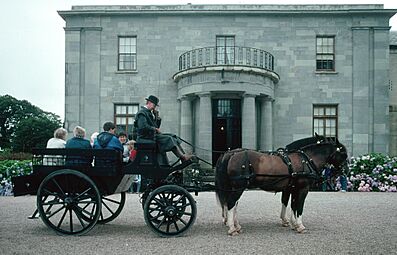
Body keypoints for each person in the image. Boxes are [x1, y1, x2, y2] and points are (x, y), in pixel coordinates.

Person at [135, 95, 193, 162]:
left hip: (151, 136)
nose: (154, 107)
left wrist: (158, 119)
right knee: (169, 139)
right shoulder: (142, 113)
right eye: (154, 105)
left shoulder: (149, 113)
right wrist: (155, 129)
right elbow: (143, 127)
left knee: (173, 136)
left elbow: (156, 126)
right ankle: (182, 157)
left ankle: (183, 154)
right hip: (145, 137)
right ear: (149, 103)